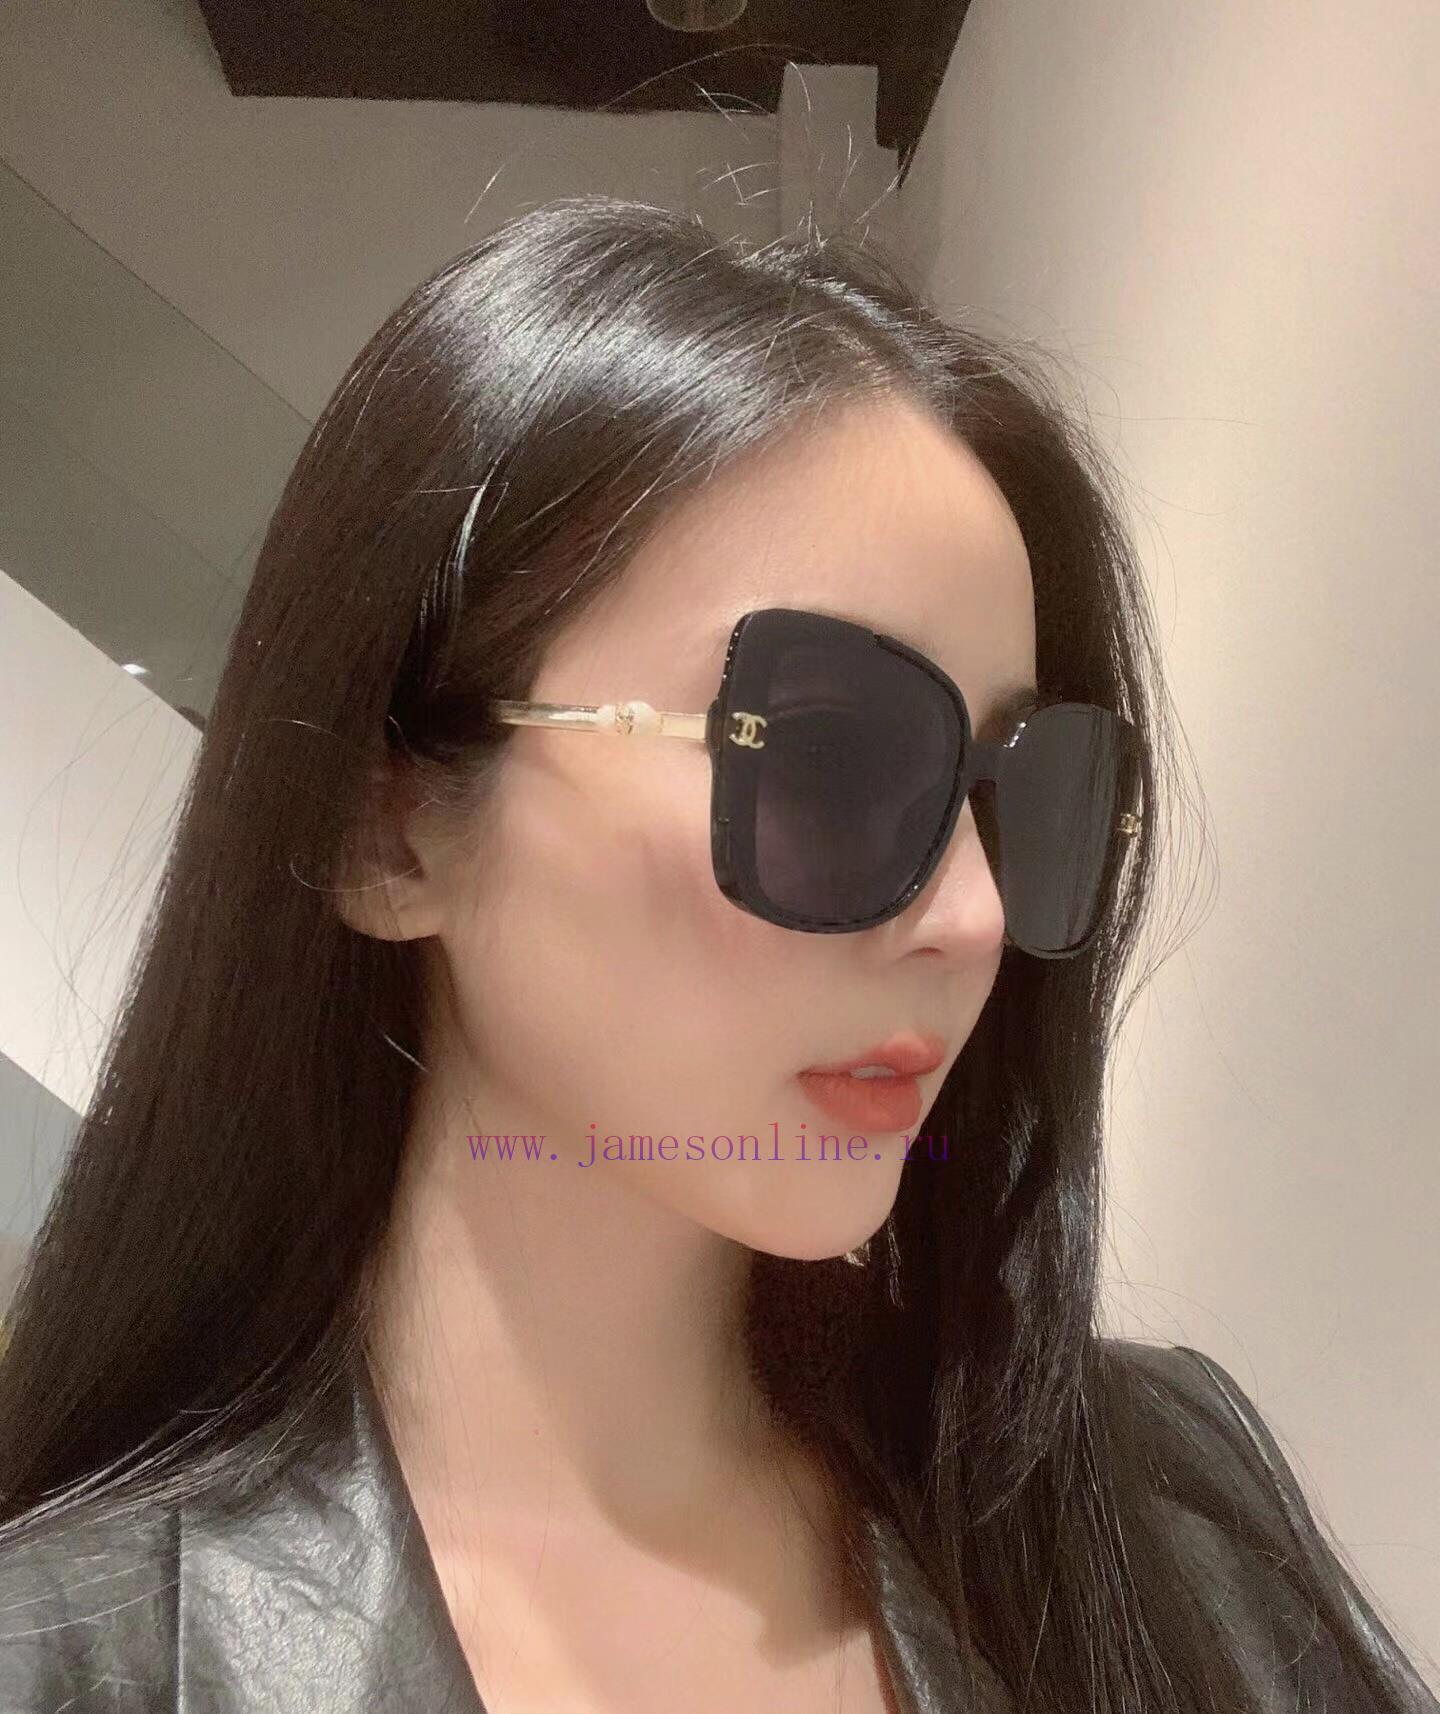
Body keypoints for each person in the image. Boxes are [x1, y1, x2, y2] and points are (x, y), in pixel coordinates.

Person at [0, 196, 1434, 1714]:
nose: (973, 916)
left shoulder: (1164, 1529)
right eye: (824, 758)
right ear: (390, 828)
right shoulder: (78, 1667)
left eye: (1027, 795)